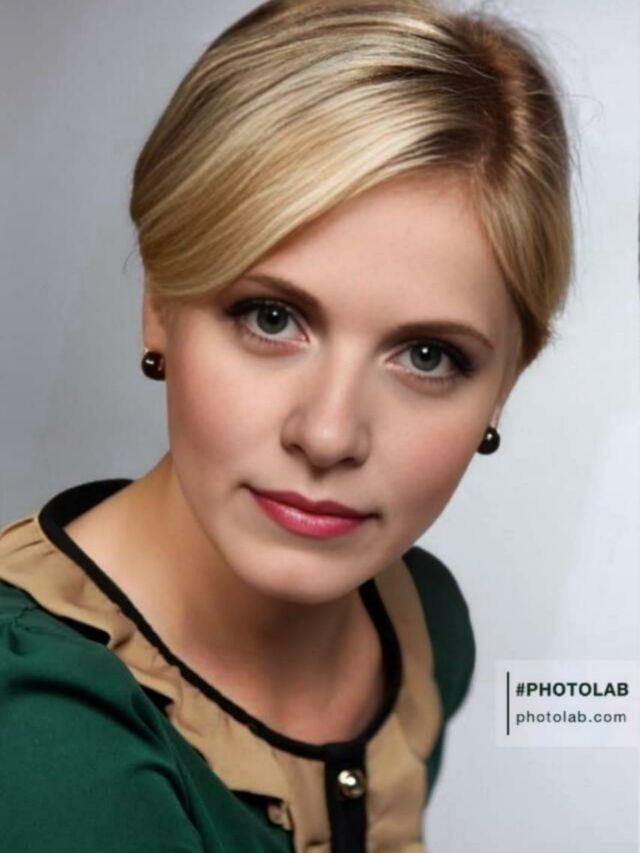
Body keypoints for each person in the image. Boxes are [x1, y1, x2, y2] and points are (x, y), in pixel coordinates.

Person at [0, 0, 573, 850]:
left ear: (505, 383)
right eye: (271, 317)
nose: (330, 434)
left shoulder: (422, 627)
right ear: (159, 303)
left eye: (427, 356)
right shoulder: (45, 739)